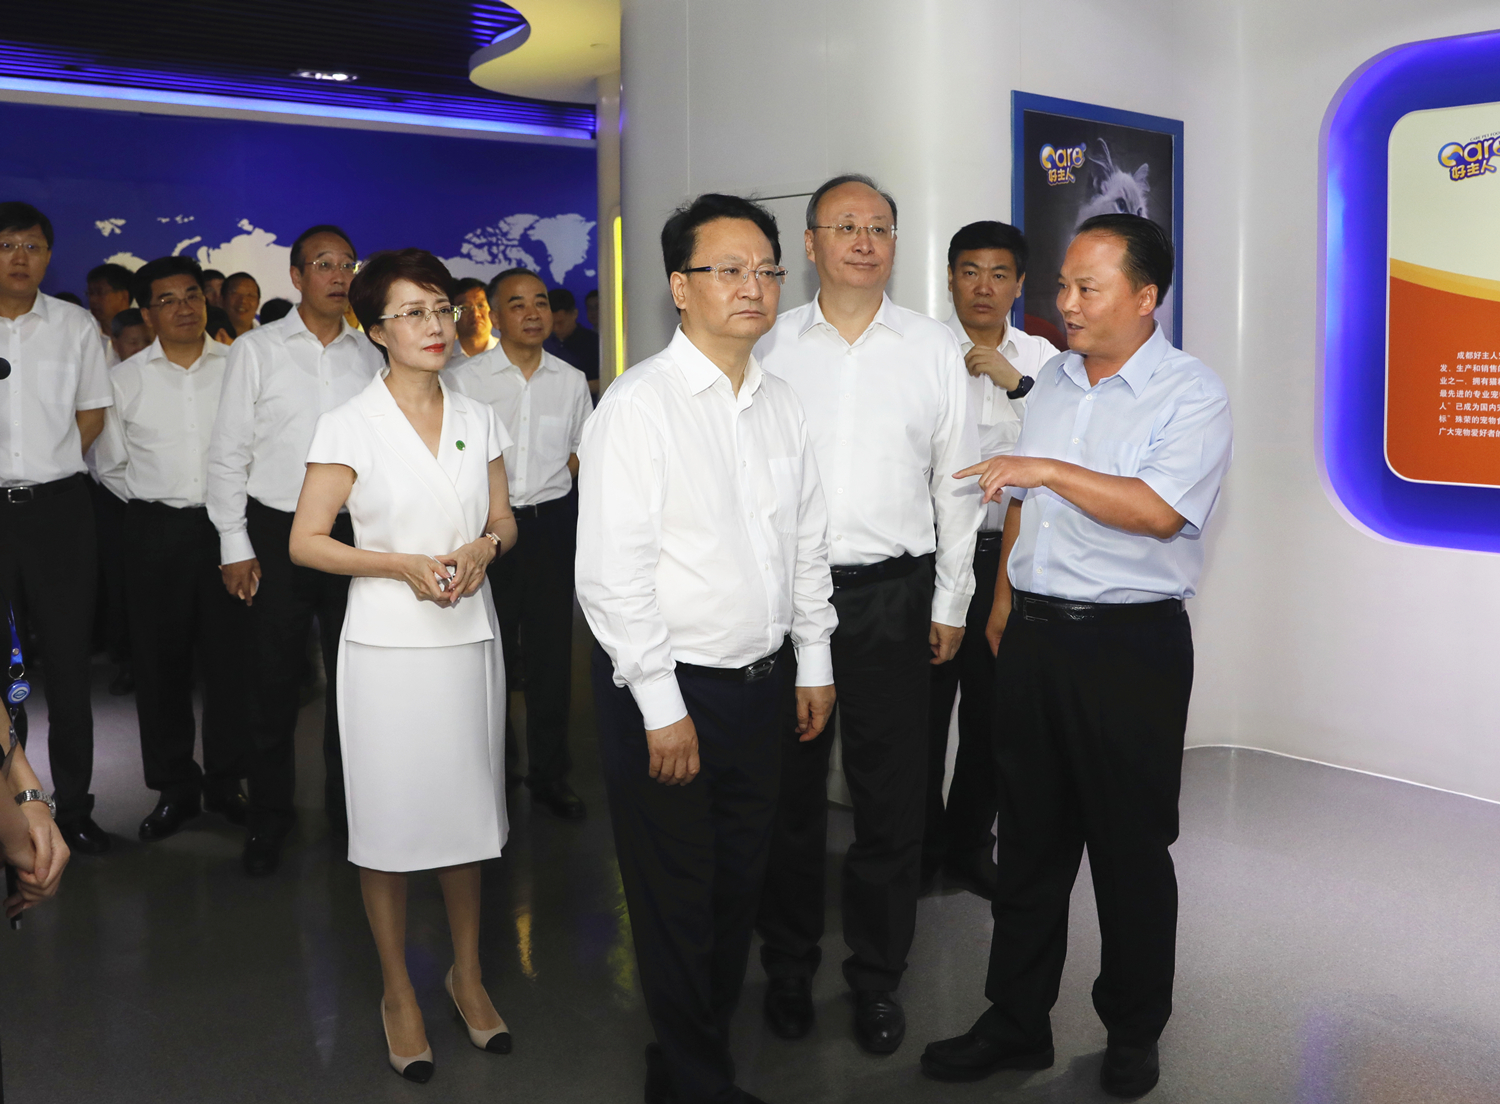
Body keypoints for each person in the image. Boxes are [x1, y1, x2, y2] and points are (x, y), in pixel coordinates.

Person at [920, 215, 1232, 1099]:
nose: (1066, 303)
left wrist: (1046, 472)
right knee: (1028, 844)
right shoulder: (1054, 379)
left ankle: (1132, 1031)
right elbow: (1022, 497)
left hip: (1129, 649)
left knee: (1131, 852)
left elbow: (1160, 510)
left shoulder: (1190, 393)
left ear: (1146, 296)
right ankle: (1015, 1022)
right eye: (1062, 285)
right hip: (1035, 637)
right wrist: (1004, 600)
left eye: (1087, 288)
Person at [577, 193, 837, 1104]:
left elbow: (807, 544)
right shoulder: (638, 407)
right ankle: (695, 1082)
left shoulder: (781, 404)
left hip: (762, 687)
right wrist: (661, 705)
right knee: (678, 898)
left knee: (736, 888)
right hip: (670, 690)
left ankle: (688, 1064)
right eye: (728, 270)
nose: (753, 286)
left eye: (766, 270)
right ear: (680, 287)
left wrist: (813, 661)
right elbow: (612, 578)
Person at [754, 175, 980, 1054]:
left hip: (894, 596)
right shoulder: (769, 342)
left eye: (879, 226)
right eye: (844, 225)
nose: (863, 239)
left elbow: (957, 484)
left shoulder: (933, 347)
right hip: (787, 597)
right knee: (789, 798)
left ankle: (878, 978)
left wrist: (952, 599)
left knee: (892, 801)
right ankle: (787, 966)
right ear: (810, 243)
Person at [290, 248, 517, 1083]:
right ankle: (396, 991)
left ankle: (467, 974)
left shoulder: (479, 414)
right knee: (387, 825)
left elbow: (505, 519)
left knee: (467, 815)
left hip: (467, 636)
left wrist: (484, 547)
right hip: (385, 645)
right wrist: (398, 564)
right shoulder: (350, 421)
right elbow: (306, 541)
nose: (435, 325)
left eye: (442, 308)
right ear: (377, 330)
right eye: (413, 312)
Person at [207, 224, 383, 876]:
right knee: (272, 684)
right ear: (297, 275)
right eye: (324, 264)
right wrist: (234, 543)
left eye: (347, 264)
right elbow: (228, 451)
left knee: (355, 681)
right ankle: (269, 819)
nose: (338, 275)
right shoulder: (257, 350)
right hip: (276, 534)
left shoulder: (371, 354)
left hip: (354, 534)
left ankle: (351, 817)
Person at [95, 255, 252, 842]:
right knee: (159, 665)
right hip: (154, 530)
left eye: (192, 294)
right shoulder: (124, 380)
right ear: (146, 313)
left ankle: (228, 782)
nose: (184, 307)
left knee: (231, 662)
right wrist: (159, 503)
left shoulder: (239, 366)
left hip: (230, 530)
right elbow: (109, 465)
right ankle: (174, 788)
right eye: (167, 299)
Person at [923, 221, 1059, 899]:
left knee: (993, 718)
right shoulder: (920, 352)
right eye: (970, 271)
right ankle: (917, 852)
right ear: (950, 277)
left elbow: (1068, 450)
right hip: (930, 559)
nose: (983, 286)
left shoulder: (1043, 359)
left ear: (1020, 283)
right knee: (919, 719)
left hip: (1006, 561)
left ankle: (970, 848)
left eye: (999, 273)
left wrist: (1019, 385)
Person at [448, 269, 591, 819]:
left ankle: (550, 775)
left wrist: (552, 486)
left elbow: (581, 448)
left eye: (540, 303)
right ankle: (496, 772)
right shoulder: (466, 380)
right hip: (488, 531)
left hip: (551, 527)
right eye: (517, 304)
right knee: (493, 655)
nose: (532, 313)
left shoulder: (570, 379)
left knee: (553, 657)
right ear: (496, 315)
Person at [0, 201, 113, 856]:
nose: (20, 257)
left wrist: (52, 461)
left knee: (70, 665)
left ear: (48, 255)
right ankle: (9, 811)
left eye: (32, 246)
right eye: (7, 244)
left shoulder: (74, 325)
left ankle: (75, 808)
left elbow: (92, 411)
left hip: (60, 512)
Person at [544, 286, 600, 396]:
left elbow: (607, 380)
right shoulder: (543, 344)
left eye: (560, 323)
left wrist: (573, 388)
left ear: (574, 314)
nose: (556, 328)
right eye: (551, 323)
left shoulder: (594, 343)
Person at [85, 262, 134, 363]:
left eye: (99, 293)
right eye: (90, 293)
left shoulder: (146, 331)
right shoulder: (84, 329)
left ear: (123, 296)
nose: (92, 299)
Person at [447, 277, 497, 362]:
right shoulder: (439, 359)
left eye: (480, 306)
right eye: (465, 308)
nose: (475, 314)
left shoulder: (510, 353)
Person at [221, 271, 261, 337]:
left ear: (258, 303)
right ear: (222, 299)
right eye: (236, 294)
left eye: (250, 295)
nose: (243, 300)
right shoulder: (207, 337)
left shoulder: (266, 339)